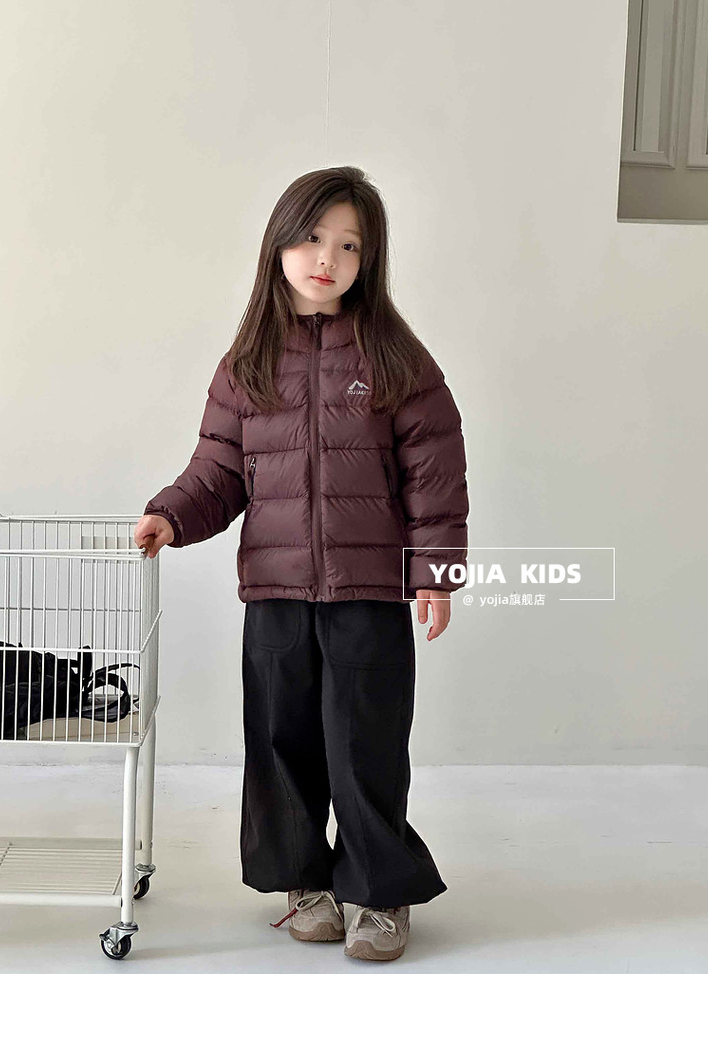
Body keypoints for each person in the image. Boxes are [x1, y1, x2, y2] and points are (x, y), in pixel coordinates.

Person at [134, 165, 469, 963]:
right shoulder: (247, 363)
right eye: (314, 237)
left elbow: (435, 468)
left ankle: (378, 893)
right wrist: (172, 513)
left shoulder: (394, 355)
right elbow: (218, 469)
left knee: (365, 744)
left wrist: (436, 571)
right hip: (276, 590)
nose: (329, 257)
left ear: (369, 259)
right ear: (279, 243)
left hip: (368, 589)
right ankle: (305, 884)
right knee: (280, 740)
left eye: (350, 244)